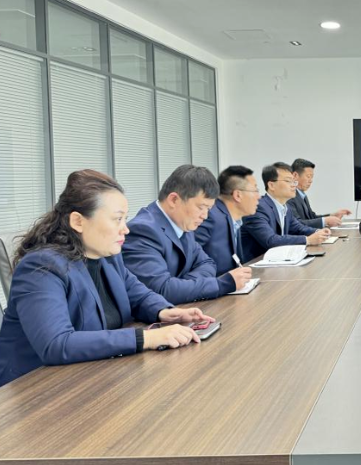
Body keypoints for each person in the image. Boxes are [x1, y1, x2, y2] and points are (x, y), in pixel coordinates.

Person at [0, 170, 214, 387]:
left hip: (93, 376)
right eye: (117, 219)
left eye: (125, 219)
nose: (125, 229)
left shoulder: (107, 256)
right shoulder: (41, 267)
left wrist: (164, 311)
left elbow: (137, 294)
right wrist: (146, 338)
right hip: (35, 389)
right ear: (78, 221)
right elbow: (56, 343)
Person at [123, 165, 252, 304]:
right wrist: (222, 284)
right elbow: (161, 290)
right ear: (174, 200)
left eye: (208, 209)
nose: (205, 216)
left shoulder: (182, 223)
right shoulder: (142, 230)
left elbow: (207, 263)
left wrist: (182, 286)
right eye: (201, 207)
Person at [242, 162, 331, 261]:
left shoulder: (285, 207)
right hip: (255, 265)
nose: (294, 185)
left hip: (277, 261)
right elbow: (270, 240)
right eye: (288, 181)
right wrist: (308, 240)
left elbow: (298, 228)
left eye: (294, 181)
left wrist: (319, 232)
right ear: (271, 185)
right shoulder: (258, 208)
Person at [196, 165, 261, 273]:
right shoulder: (210, 216)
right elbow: (188, 257)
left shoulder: (233, 218)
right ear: (238, 195)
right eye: (255, 190)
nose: (259, 196)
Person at [288, 158, 352, 228]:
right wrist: (325, 221)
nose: (311, 181)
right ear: (295, 175)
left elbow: (311, 217)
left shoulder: (302, 195)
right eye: (308, 176)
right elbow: (296, 224)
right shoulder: (288, 196)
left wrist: (332, 215)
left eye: (312, 177)